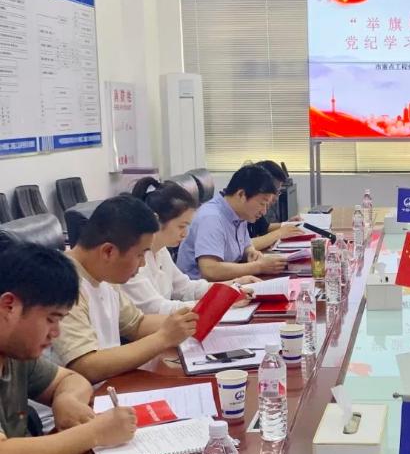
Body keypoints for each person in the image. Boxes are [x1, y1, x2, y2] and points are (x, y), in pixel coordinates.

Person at [0, 242, 137, 454]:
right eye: (50, 319)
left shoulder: (14, 355)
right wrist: (96, 432)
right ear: (9, 306)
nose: (56, 333)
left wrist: (65, 400)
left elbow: (71, 380)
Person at [51, 196, 198, 384]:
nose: (143, 263)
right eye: (140, 254)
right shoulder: (63, 283)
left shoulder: (104, 273)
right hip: (84, 395)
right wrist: (163, 338)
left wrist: (190, 321)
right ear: (108, 251)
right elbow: (85, 365)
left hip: (113, 385)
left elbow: (136, 324)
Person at [123, 177, 259, 315]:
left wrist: (233, 284)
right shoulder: (132, 260)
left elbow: (186, 288)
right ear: (156, 221)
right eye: (181, 226)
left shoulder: (160, 250)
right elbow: (157, 308)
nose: (185, 233)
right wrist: (220, 302)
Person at [177, 164, 287, 281]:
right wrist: (259, 267)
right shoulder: (211, 218)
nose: (264, 211)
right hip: (203, 289)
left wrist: (250, 253)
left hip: (228, 282)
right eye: (262, 204)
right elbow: (210, 270)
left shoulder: (240, 213)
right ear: (241, 195)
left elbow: (245, 246)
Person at [247, 160, 304, 251]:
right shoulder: (243, 209)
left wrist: (288, 224)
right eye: (275, 192)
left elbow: (264, 227)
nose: (276, 198)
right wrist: (279, 233)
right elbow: (243, 246)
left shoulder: (254, 209)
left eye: (278, 192)